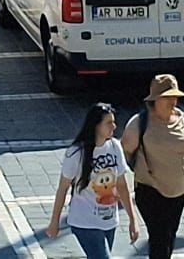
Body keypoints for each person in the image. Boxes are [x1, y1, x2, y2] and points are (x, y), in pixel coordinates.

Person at [118, 73, 184, 259]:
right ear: (155, 99)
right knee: (160, 238)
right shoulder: (139, 123)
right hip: (150, 191)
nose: (173, 101)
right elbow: (124, 152)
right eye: (167, 97)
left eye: (175, 97)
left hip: (178, 191)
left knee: (169, 236)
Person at [46, 101, 136, 255]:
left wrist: (133, 220)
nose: (113, 127)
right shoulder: (76, 153)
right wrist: (55, 222)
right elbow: (63, 188)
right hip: (84, 221)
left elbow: (122, 185)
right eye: (108, 123)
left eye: (114, 122)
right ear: (96, 125)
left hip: (109, 221)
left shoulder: (115, 146)